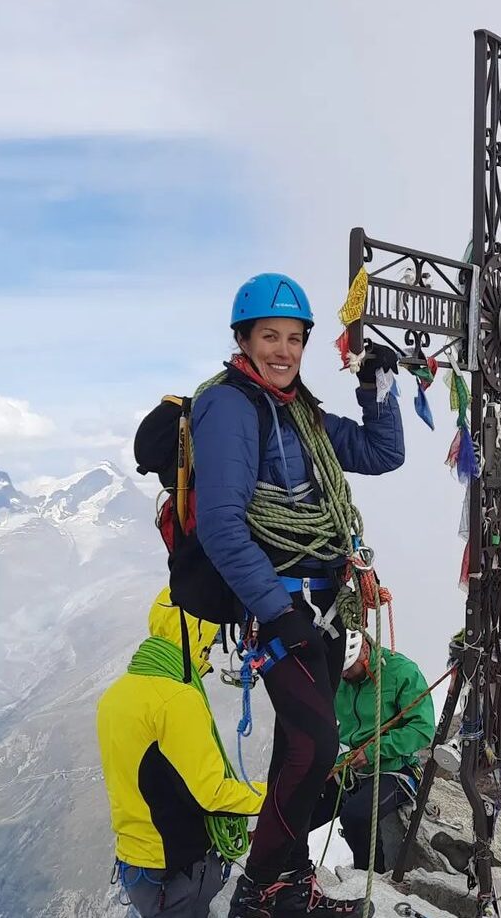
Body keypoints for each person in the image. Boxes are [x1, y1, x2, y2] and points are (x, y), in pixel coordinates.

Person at [191, 272, 403, 918]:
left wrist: (377, 387)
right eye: (269, 337)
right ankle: (258, 892)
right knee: (314, 747)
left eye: (294, 338)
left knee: (300, 748)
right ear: (243, 339)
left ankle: (291, 887)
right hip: (280, 608)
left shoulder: (300, 411)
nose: (283, 350)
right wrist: (277, 614)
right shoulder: (230, 405)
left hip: (321, 603)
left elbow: (380, 451)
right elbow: (220, 525)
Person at [96, 589, 267, 918]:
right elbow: (211, 793)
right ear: (196, 635)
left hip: (137, 864)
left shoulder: (115, 695)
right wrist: (275, 795)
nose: (212, 649)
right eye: (211, 637)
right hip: (178, 871)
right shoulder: (176, 699)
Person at [309, 631, 435, 872]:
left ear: (365, 651)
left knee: (357, 817)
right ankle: (292, 870)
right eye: (340, 670)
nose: (344, 676)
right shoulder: (338, 675)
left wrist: (375, 751)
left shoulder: (401, 672)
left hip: (396, 769)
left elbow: (422, 728)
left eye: (348, 669)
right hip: (352, 765)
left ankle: (368, 880)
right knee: (305, 805)